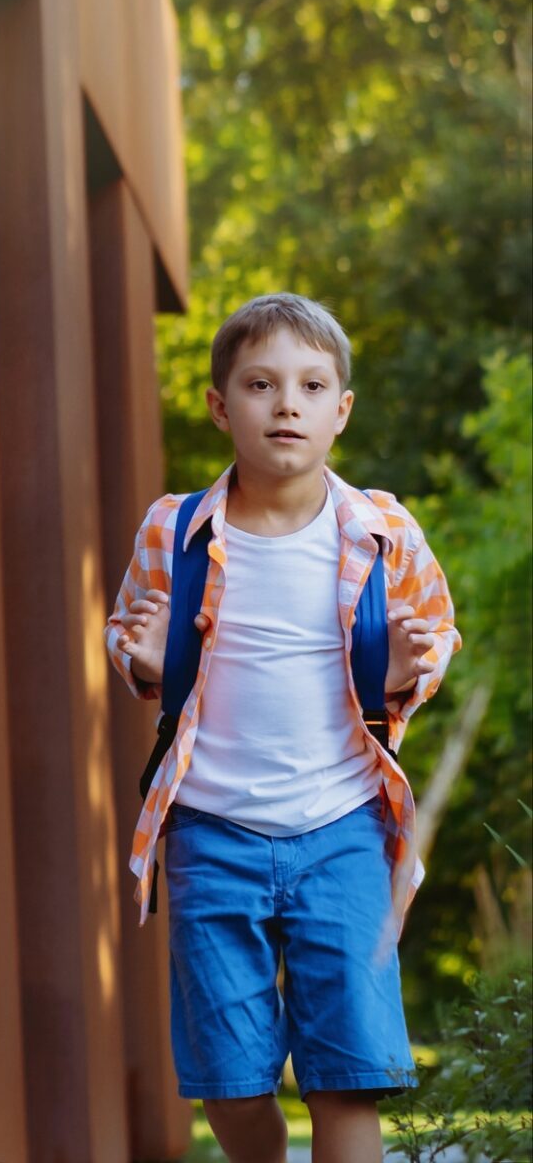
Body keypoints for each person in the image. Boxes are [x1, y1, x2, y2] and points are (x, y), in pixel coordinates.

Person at [106, 293, 460, 1162]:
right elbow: (132, 642)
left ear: (340, 411)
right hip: (210, 832)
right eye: (261, 385)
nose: (287, 404)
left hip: (342, 831)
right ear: (223, 407)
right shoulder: (173, 528)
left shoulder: (381, 530)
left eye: (311, 386)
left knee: (346, 1079)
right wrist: (144, 660)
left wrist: (408, 672)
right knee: (228, 1085)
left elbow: (435, 631)